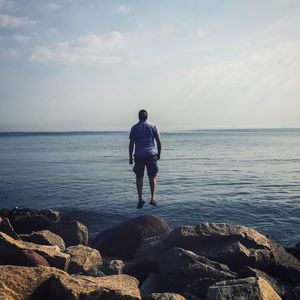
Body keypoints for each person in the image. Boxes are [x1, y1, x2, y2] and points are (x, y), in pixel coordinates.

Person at [129, 109, 162, 209]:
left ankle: (140, 199)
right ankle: (153, 199)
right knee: (152, 176)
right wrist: (159, 154)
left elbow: (131, 144)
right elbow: (159, 142)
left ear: (139, 117)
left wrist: (130, 157)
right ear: (147, 117)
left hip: (139, 155)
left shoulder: (134, 128)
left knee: (139, 177)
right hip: (151, 154)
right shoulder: (153, 126)